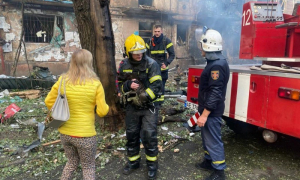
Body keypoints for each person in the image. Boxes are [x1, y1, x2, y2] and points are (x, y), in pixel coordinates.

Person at [45, 49, 109, 180]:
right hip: (85, 136)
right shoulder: (95, 84)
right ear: (88, 63)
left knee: (71, 162)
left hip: (65, 133)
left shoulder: (63, 80)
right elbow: (102, 112)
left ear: (72, 62)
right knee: (88, 167)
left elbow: (48, 101)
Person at [118, 34, 162, 180]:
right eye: (136, 53)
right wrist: (127, 85)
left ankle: (152, 166)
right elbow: (118, 86)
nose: (139, 55)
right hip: (131, 107)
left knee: (149, 135)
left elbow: (157, 86)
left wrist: (143, 97)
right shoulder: (123, 65)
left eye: (141, 52)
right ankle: (133, 162)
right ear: (128, 52)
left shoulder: (151, 64)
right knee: (131, 134)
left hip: (149, 107)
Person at [195, 27, 229, 180]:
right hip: (207, 110)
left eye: (202, 44)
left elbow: (215, 92)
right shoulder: (214, 62)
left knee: (213, 140)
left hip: (211, 112)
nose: (200, 48)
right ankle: (209, 162)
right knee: (206, 137)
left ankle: (219, 171)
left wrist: (205, 114)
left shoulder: (216, 66)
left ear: (209, 46)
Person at [146, 25, 175, 106]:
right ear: (153, 32)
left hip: (162, 70)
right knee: (152, 85)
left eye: (158, 31)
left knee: (161, 86)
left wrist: (166, 63)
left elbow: (172, 54)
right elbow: (146, 55)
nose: (157, 33)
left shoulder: (166, 41)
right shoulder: (149, 42)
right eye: (155, 31)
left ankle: (160, 104)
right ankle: (153, 102)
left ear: (161, 31)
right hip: (152, 69)